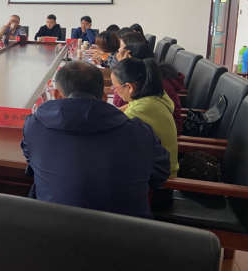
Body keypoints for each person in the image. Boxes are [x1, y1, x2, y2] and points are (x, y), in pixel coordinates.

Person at [21, 60, 170, 219]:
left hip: (51, 229)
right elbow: (160, 175)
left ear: (56, 95)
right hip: (127, 232)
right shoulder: (141, 133)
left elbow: (31, 161)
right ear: (104, 98)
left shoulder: (34, 126)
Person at [112, 58, 179, 178]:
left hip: (161, 180)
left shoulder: (141, 110)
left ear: (130, 87)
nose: (115, 91)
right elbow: (125, 108)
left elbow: (112, 127)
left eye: (115, 88)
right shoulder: (157, 96)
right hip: (163, 169)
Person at [114, 43, 185, 134]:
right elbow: (129, 105)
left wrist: (121, 73)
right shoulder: (150, 85)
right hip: (157, 131)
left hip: (167, 133)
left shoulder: (159, 84)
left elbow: (118, 102)